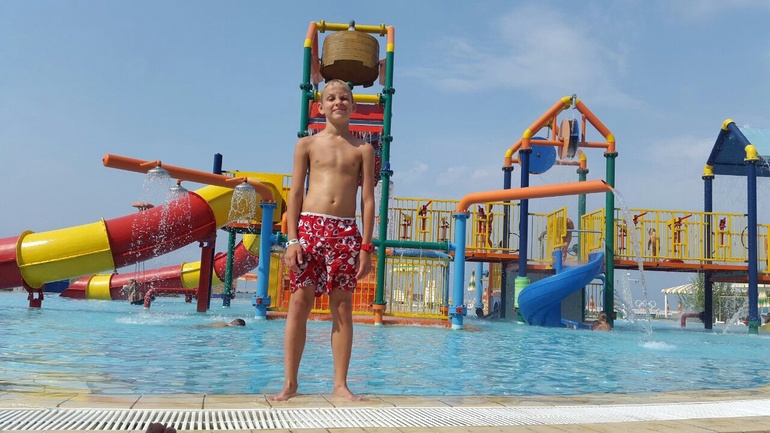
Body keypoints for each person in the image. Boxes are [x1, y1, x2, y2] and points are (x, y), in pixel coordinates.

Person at [274, 79, 375, 402]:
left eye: (344, 98)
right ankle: (290, 382)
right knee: (299, 302)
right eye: (331, 98)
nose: (338, 102)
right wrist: (292, 239)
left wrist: (366, 246)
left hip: (345, 231)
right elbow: (295, 192)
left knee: (342, 306)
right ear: (320, 106)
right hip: (309, 228)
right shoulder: (306, 144)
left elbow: (368, 200)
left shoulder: (363, 149)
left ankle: (340, 384)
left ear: (353, 106)